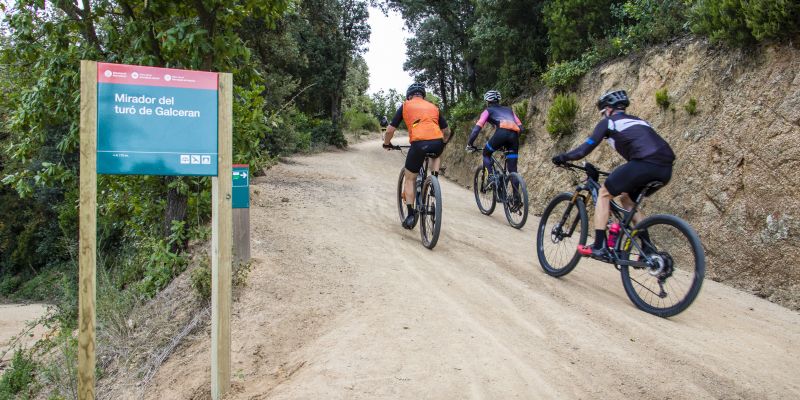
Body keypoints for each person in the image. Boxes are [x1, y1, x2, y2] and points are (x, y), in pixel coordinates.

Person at [551, 89, 675, 260]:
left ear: (608, 109)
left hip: (644, 163)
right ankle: (647, 248)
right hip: (665, 168)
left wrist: (563, 157)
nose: (603, 116)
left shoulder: (609, 122)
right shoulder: (640, 121)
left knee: (604, 193)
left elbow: (584, 149)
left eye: (603, 112)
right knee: (627, 199)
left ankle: (600, 245)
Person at [383, 83, 451, 229]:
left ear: (409, 96)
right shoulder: (433, 107)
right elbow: (446, 131)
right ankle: (434, 181)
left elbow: (390, 130)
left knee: (410, 178)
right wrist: (443, 143)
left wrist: (386, 143)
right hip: (437, 142)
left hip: (419, 144)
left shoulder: (406, 105)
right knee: (436, 154)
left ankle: (410, 215)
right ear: (423, 96)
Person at [465, 90, 524, 179]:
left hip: (501, 134)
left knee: (486, 153)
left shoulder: (488, 111)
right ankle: (516, 193)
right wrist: (508, 141)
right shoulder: (509, 110)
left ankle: (491, 176)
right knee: (513, 170)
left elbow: (477, 129)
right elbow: (521, 128)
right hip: (514, 136)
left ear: (487, 101)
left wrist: (470, 144)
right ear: (498, 100)